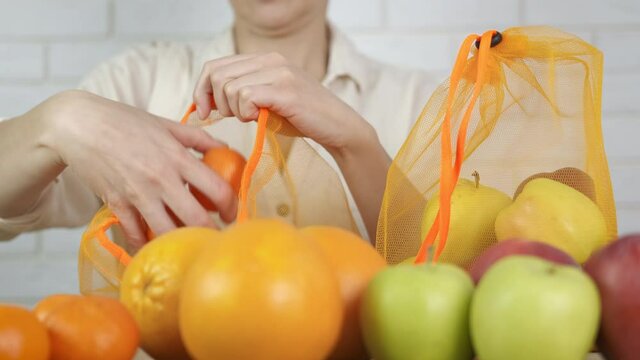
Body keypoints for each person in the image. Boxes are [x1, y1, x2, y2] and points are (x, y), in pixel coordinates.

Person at [0, 0, 436, 248]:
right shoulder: (139, 80)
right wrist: (59, 119)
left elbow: (453, 273)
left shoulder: (424, 102)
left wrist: (358, 143)